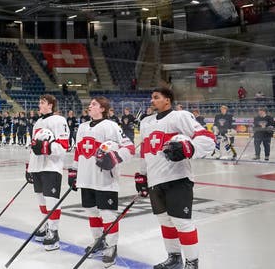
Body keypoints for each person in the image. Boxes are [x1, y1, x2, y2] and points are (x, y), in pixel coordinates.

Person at [136, 87, 216, 269]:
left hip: (177, 178)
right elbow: (144, 151)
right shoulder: (146, 122)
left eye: (156, 97)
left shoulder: (180, 116)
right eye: (151, 97)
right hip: (155, 180)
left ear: (167, 100)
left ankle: (192, 262)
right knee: (165, 221)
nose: (152, 101)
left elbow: (207, 138)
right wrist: (142, 174)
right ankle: (174, 258)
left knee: (182, 222)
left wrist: (190, 148)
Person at [69, 97, 135, 267]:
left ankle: (112, 246)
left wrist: (114, 157)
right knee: (92, 212)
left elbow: (129, 148)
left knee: (107, 213)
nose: (89, 106)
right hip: (86, 178)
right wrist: (73, 171)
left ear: (103, 109)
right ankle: (99, 241)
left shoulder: (111, 126)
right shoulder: (82, 127)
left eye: (94, 104)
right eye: (90, 104)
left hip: (105, 179)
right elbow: (78, 152)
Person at [25, 94, 70, 251]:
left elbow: (64, 146)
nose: (39, 104)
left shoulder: (59, 120)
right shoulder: (38, 122)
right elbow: (33, 146)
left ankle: (54, 231)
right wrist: (29, 167)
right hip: (37, 166)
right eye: (39, 101)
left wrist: (46, 148)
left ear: (50, 105)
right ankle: (46, 224)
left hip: (51, 166)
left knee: (51, 201)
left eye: (42, 102)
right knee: (41, 201)